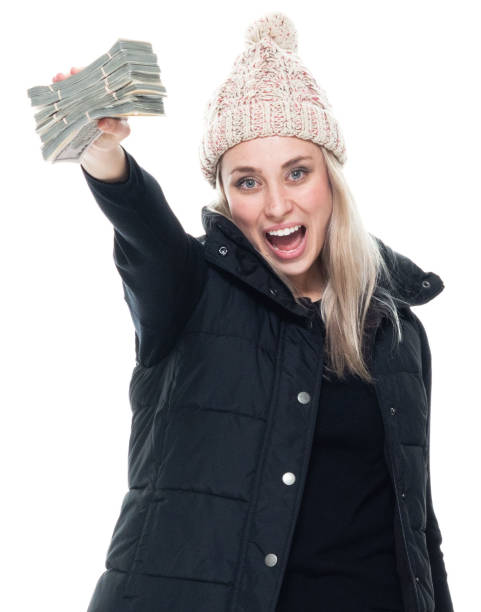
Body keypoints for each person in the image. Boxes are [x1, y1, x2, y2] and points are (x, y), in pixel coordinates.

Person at [53, 11, 454, 612]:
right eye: (247, 182)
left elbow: (417, 526)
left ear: (331, 180)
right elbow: (143, 228)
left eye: (297, 173)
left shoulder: (396, 329)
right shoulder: (189, 292)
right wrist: (102, 153)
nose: (276, 205)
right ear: (225, 195)